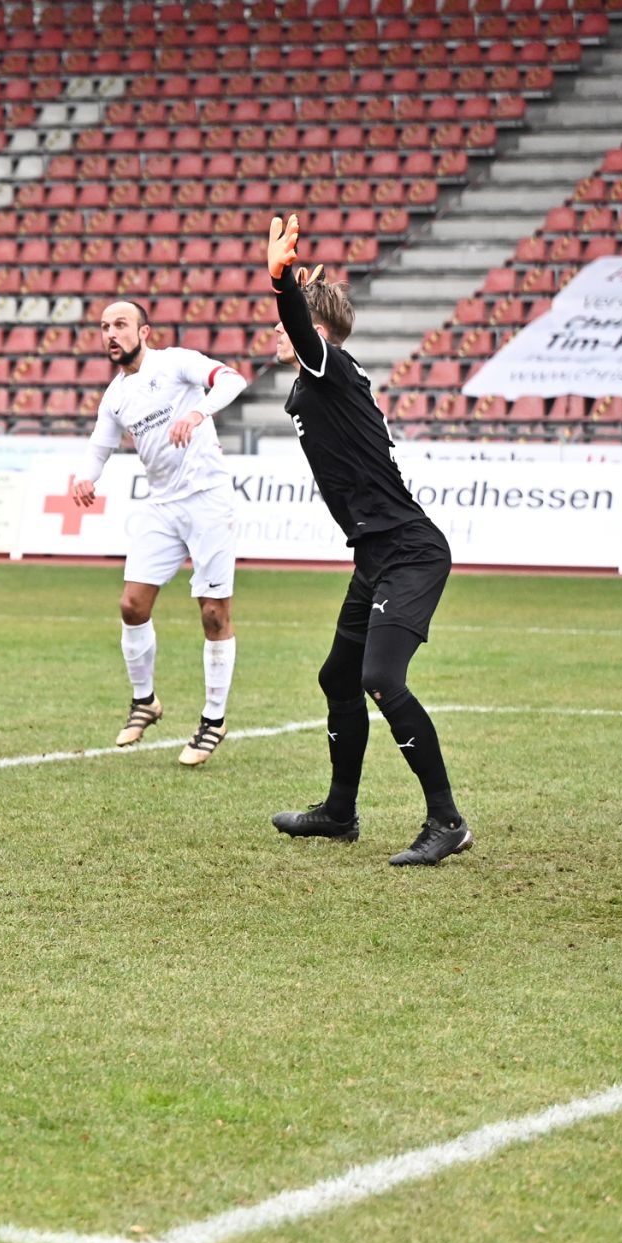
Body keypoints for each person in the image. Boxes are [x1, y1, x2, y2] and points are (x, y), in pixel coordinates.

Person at [265, 214, 474, 867]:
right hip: (377, 556)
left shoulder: (330, 368)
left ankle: (447, 821)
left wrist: (283, 285)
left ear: (314, 332)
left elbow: (301, 328)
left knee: (380, 677)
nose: (274, 335)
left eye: (284, 328)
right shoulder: (316, 385)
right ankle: (339, 812)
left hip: (410, 551)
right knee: (338, 676)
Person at [69, 302, 250, 765]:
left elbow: (233, 380)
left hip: (208, 498)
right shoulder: (115, 395)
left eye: (120, 325)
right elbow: (100, 446)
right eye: (105, 327)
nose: (111, 334)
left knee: (213, 613)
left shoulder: (176, 362)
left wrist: (198, 414)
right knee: (132, 604)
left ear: (144, 331)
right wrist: (84, 477)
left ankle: (213, 720)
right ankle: (145, 701)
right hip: (160, 504)